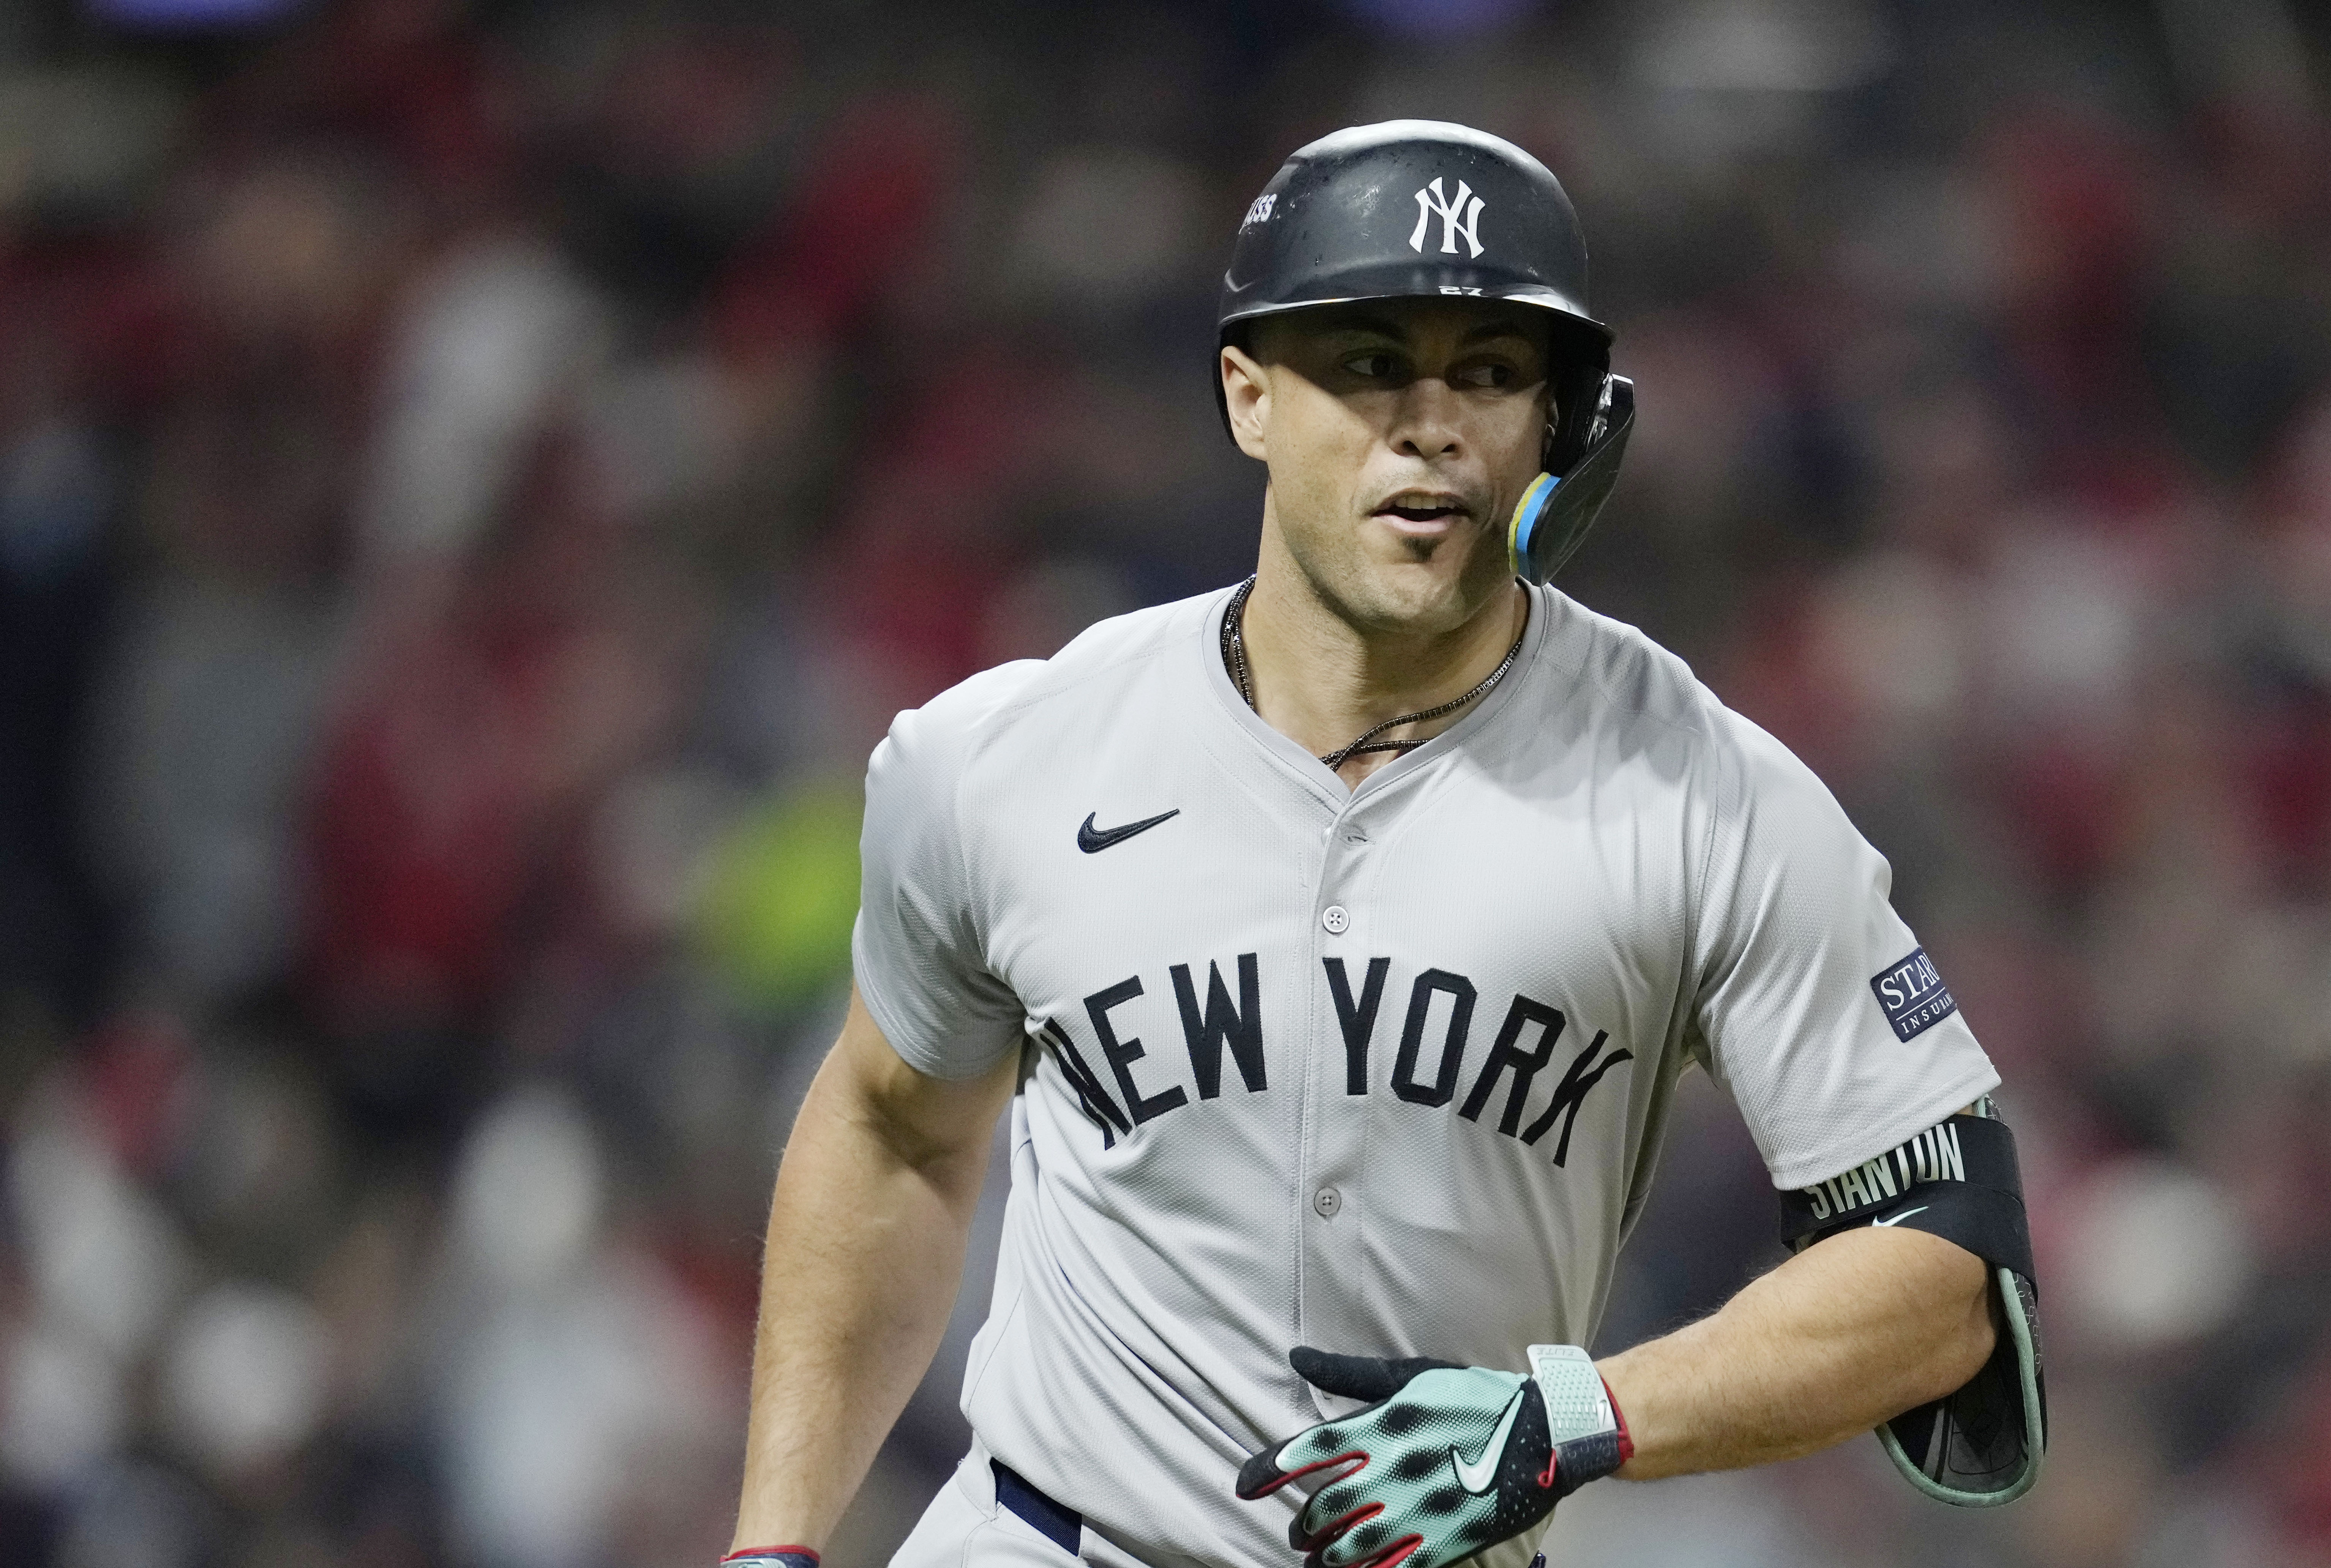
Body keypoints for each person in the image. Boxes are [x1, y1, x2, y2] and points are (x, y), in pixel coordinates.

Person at [722, 121, 2044, 1568]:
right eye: (1366, 364)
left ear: (1564, 422)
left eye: (1489, 372)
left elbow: (1943, 1272)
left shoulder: (1703, 793)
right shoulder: (1006, 759)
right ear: (1248, 397)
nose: (1431, 424)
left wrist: (1584, 1414)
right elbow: (894, 1129)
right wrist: (776, 1542)